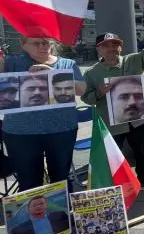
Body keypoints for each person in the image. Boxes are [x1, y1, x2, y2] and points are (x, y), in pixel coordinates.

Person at [82, 20, 144, 190]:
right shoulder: (91, 73)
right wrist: (99, 92)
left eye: (115, 44)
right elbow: (86, 98)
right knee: (113, 154)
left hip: (138, 119)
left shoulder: (133, 60)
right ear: (98, 49)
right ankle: (112, 185)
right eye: (106, 45)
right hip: (112, 122)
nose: (111, 48)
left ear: (120, 47)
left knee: (142, 151)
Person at [0, 37, 86, 191]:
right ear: (23, 45)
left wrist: (55, 75)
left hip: (62, 130)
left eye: (46, 42)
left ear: (52, 44)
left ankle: (62, 206)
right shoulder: (10, 62)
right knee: (28, 181)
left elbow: (82, 90)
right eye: (36, 43)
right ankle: (33, 207)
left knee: (60, 178)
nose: (42, 46)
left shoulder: (67, 64)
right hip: (20, 134)